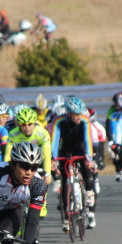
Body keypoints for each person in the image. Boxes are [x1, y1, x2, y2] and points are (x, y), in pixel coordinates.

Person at [50, 96, 97, 230]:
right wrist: (53, 159)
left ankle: (88, 191)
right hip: (66, 150)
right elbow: (54, 142)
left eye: (80, 114)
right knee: (65, 181)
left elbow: (88, 141)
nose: (78, 117)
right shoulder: (58, 121)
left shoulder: (85, 120)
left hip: (81, 148)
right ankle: (66, 217)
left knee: (86, 165)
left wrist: (89, 160)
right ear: (68, 113)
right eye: (75, 114)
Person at [4, 107, 52, 217]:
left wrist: (47, 173)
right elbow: (7, 156)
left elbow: (47, 155)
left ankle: (42, 201)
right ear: (18, 124)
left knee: (44, 179)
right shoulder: (13, 134)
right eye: (23, 125)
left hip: (38, 160)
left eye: (30, 124)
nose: (27, 128)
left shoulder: (42, 133)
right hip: (22, 162)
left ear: (34, 123)